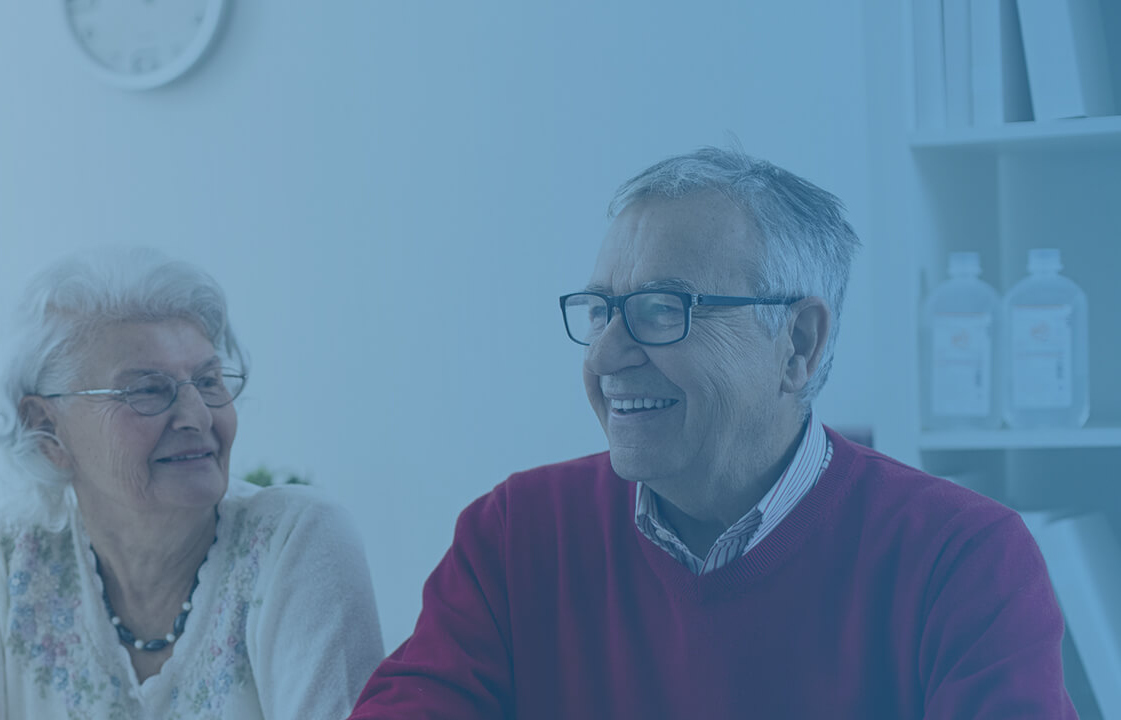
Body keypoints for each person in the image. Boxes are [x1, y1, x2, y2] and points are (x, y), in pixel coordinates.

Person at [349, 147, 1077, 719]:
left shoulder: (964, 559)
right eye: (600, 310)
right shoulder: (512, 536)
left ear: (797, 343)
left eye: (662, 309)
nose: (604, 357)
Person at [0, 247, 385, 719]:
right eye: (147, 390)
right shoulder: (17, 549)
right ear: (48, 430)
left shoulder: (296, 543)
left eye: (208, 381)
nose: (196, 416)